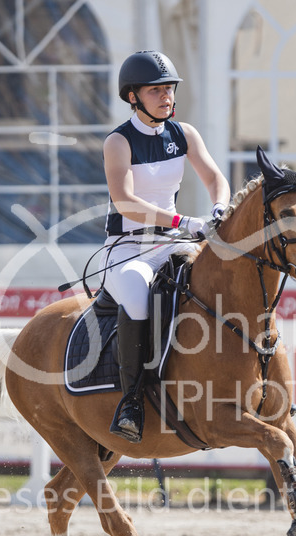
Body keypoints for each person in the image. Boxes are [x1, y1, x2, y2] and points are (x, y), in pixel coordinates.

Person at [100, 50, 231, 444]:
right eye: (155, 91)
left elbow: (215, 179)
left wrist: (219, 207)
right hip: (128, 248)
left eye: (169, 89)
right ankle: (131, 403)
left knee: (219, 282)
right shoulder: (118, 142)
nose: (166, 97)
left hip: (172, 244)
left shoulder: (184, 134)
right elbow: (125, 202)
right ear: (133, 97)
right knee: (137, 298)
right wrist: (184, 222)